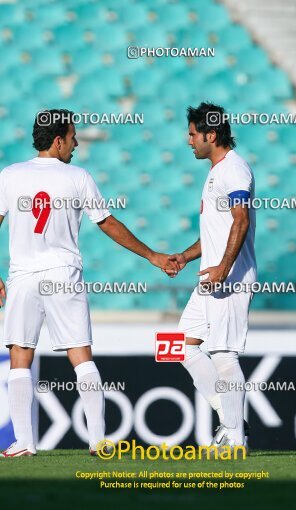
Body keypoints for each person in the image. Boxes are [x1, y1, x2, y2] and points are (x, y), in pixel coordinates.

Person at [0, 109, 178, 458]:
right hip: (63, 274)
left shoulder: (9, 175)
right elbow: (107, 223)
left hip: (22, 276)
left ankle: (23, 443)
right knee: (81, 356)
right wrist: (152, 255)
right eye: (72, 137)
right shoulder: (77, 177)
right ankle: (98, 441)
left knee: (20, 356)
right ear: (57, 140)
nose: (77, 143)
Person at [164, 102, 256, 449]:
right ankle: (231, 420)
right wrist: (186, 256)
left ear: (210, 134)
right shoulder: (216, 171)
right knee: (182, 347)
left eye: (192, 134)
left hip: (230, 279)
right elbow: (218, 232)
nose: (189, 141)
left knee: (223, 354)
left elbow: (240, 220)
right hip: (212, 276)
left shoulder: (234, 169)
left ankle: (234, 438)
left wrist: (224, 268)